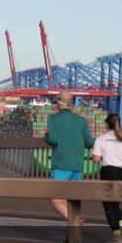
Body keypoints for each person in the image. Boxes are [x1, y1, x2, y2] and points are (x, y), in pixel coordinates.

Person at [44, 90, 95, 223]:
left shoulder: (53, 119)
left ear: (58, 103)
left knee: (57, 199)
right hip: (78, 165)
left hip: (61, 164)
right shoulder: (81, 120)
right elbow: (90, 142)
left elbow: (53, 140)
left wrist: (46, 136)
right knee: (72, 200)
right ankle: (72, 237)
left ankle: (74, 221)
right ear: (72, 104)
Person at [92, 113, 122, 243]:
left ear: (106, 124)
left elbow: (96, 159)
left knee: (108, 206)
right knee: (115, 203)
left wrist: (108, 159)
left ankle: (117, 237)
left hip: (109, 172)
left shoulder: (101, 139)